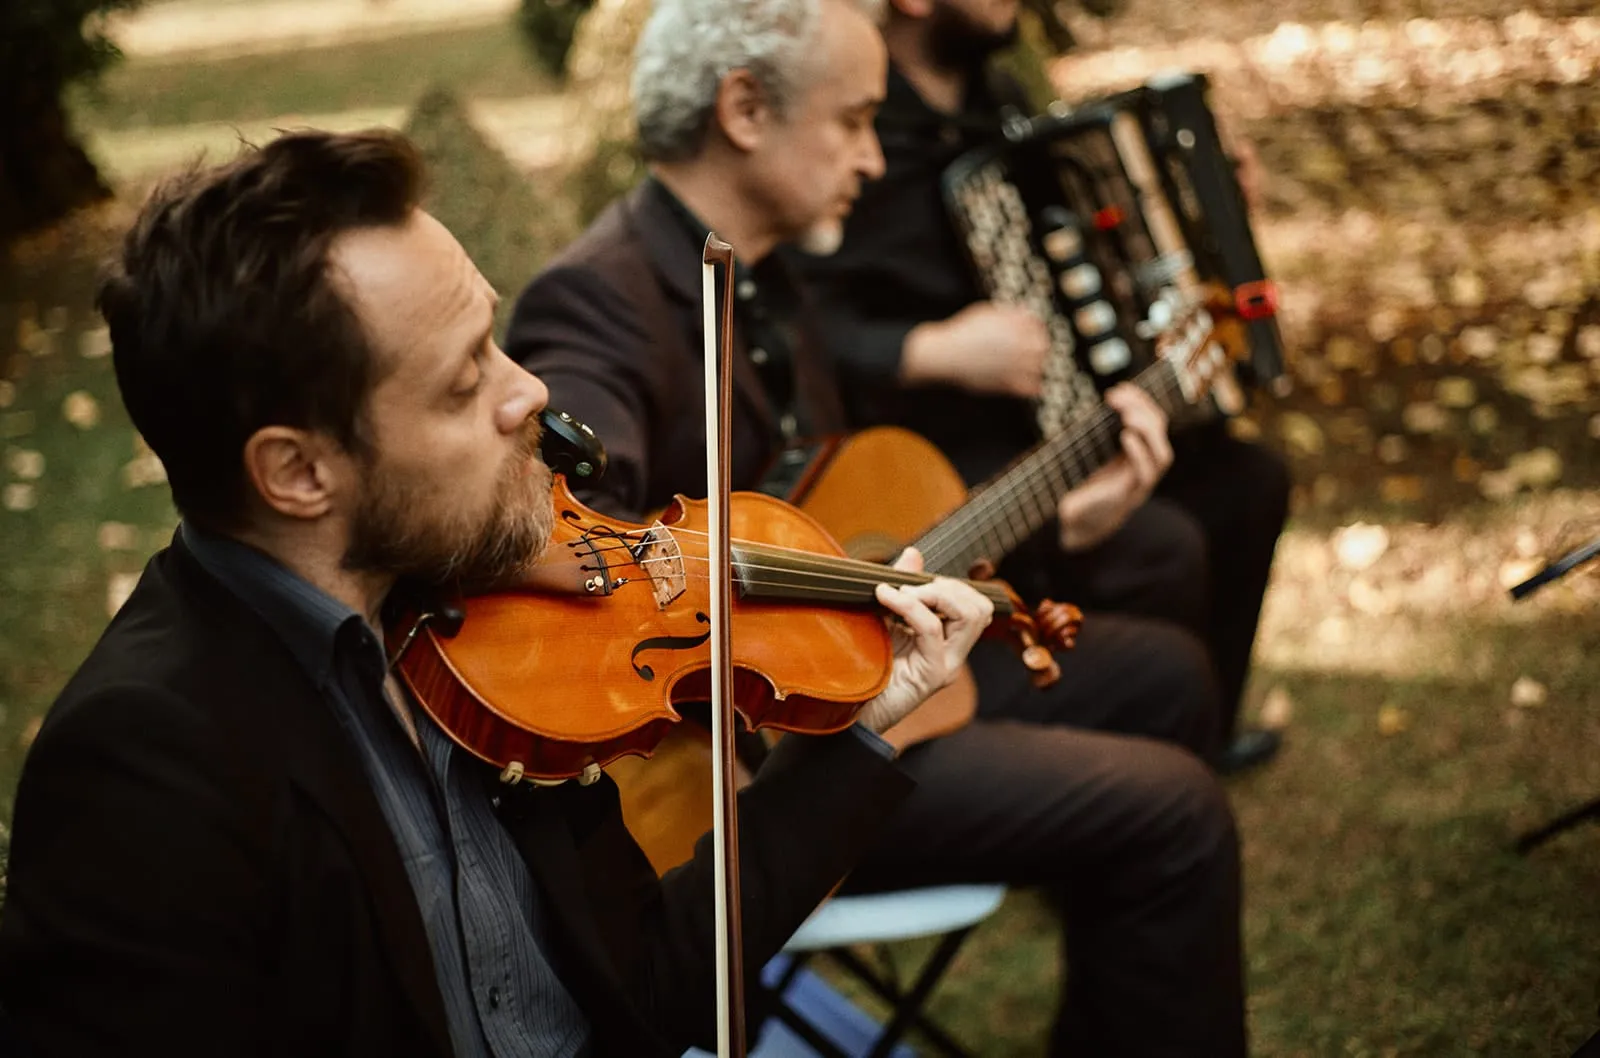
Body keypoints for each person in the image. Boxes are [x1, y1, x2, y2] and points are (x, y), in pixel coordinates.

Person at [0, 128, 1001, 1058]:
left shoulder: (489, 635)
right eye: (460, 378)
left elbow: (647, 982)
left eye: (493, 337)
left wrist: (860, 727)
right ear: (299, 473)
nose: (526, 392)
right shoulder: (146, 768)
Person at [506, 1, 1247, 1054]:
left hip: (855, 681)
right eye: (854, 120)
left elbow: (846, 518)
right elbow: (573, 548)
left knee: (1169, 674)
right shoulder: (599, 300)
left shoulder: (764, 272)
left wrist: (1060, 514)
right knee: (1175, 812)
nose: (870, 155)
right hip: (744, 768)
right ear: (745, 108)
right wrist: (768, 659)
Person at [792, 0, 1292, 774]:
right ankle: (1128, 760)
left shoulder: (997, 102)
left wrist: (1207, 212)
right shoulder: (855, 126)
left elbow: (1090, 246)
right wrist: (929, 350)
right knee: (1165, 543)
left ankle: (1200, 731)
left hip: (1046, 418)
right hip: (932, 456)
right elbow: (802, 316)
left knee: (1249, 479)